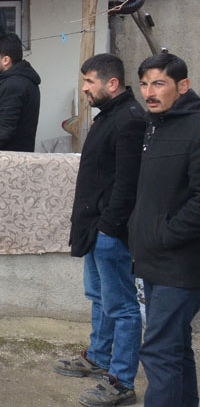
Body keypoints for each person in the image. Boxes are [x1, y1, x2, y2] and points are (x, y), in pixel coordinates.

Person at [54, 54, 145, 407]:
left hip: (111, 233)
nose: (85, 88)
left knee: (122, 307)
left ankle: (121, 381)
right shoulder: (111, 116)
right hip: (96, 229)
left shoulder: (129, 120)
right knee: (99, 298)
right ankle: (99, 356)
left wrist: (109, 228)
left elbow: (127, 183)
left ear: (112, 83)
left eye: (90, 81)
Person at [129, 53, 200, 407]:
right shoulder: (157, 124)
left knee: (158, 351)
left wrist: (165, 236)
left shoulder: (195, 127)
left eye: (159, 83)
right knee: (175, 348)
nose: (149, 92)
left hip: (180, 263)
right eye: (144, 83)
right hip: (154, 260)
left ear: (182, 86)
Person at [0, 32, 41, 151]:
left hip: (5, 163)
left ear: (6, 60)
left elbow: (5, 127)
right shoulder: (17, 81)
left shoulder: (15, 85)